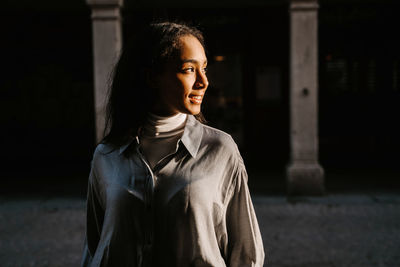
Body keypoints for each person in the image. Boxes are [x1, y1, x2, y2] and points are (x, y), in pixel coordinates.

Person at [81, 21, 265, 267]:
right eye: (189, 69)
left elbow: (246, 253)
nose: (203, 82)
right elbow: (95, 248)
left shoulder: (220, 149)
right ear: (152, 76)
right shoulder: (107, 155)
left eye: (205, 69)